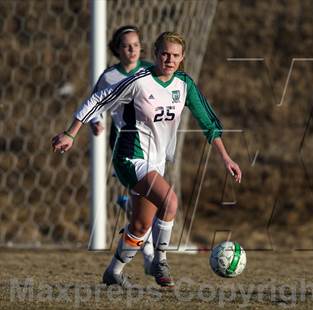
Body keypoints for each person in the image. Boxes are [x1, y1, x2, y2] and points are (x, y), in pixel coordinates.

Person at [51, 31, 242, 288]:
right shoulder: (139, 80)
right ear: (155, 54)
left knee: (141, 225)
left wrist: (226, 157)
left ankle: (114, 272)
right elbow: (99, 99)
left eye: (175, 55)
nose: (169, 59)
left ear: (182, 57)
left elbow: (208, 122)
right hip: (130, 156)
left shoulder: (184, 84)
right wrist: (70, 133)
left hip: (156, 161)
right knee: (170, 201)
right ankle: (160, 261)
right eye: (164, 53)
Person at [88, 25, 155, 277]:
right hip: (125, 145)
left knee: (147, 201)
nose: (132, 49)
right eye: (127, 45)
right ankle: (149, 257)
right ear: (117, 49)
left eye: (136, 44)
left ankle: (142, 251)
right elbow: (94, 104)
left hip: (154, 142)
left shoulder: (150, 70)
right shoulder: (109, 77)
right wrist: (96, 121)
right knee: (150, 199)